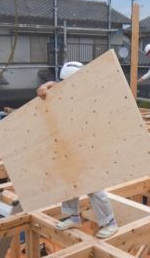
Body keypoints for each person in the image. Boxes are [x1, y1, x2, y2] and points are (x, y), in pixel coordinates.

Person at [37, 61, 119, 239]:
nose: (65, 87)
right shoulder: (65, 92)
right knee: (68, 181)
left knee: (93, 185)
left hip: (87, 145)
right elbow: (53, 87)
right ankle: (73, 217)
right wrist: (46, 85)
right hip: (69, 144)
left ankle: (110, 223)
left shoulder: (89, 96)